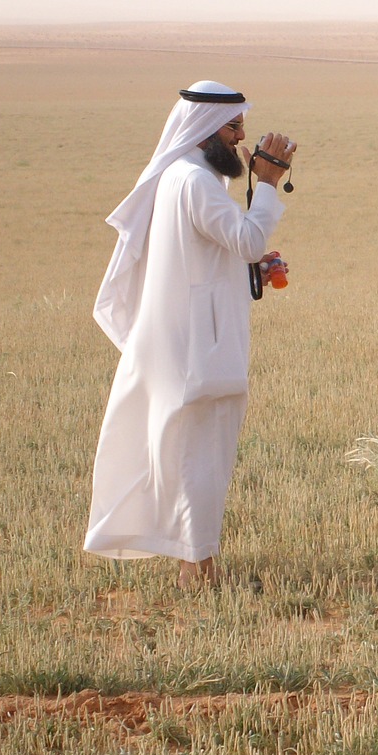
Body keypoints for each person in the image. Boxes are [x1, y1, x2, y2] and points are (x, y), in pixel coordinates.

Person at [85, 81, 296, 589]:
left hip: (192, 341)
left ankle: (196, 565)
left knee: (194, 454)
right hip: (196, 349)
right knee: (198, 456)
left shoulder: (190, 178)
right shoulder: (195, 182)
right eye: (233, 127)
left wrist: (253, 273)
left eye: (242, 126)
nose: (241, 138)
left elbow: (207, 261)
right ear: (203, 131)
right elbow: (246, 239)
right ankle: (196, 573)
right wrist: (267, 182)